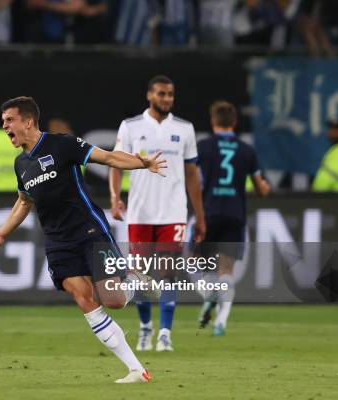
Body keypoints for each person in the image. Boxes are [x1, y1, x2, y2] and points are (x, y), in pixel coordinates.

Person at [0, 96, 167, 384]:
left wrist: (142, 163)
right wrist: (3, 232)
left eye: (9, 120)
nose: (4, 126)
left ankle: (132, 280)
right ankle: (137, 370)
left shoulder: (62, 144)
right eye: (3, 121)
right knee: (83, 298)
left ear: (28, 121)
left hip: (89, 231)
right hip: (57, 241)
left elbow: (108, 157)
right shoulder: (21, 164)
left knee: (113, 300)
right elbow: (24, 201)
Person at [109, 75, 205, 352]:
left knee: (167, 274)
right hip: (140, 212)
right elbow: (115, 164)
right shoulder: (131, 127)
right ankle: (145, 329)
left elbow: (191, 174)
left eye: (170, 94)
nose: (166, 99)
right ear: (149, 95)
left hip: (173, 212)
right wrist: (116, 198)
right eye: (161, 94)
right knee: (139, 275)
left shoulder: (185, 129)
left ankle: (164, 333)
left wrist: (200, 214)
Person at [196, 101, 270, 335]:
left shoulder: (203, 147)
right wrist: (265, 187)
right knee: (226, 270)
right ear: (235, 123)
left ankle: (210, 296)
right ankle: (221, 322)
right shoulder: (246, 151)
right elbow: (261, 189)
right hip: (234, 214)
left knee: (198, 263)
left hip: (209, 213)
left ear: (213, 121)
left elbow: (191, 179)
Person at [312, 119, 338, 192]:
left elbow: (323, 181)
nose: (333, 133)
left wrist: (314, 199)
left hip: (337, 200)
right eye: (331, 129)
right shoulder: (335, 150)